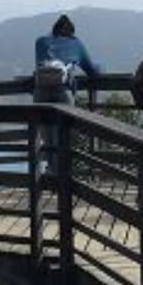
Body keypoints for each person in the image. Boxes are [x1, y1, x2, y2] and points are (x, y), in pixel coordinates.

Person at [33, 14, 102, 173]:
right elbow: (92, 70)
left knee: (46, 137)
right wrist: (102, 69)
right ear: (71, 32)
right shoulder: (76, 44)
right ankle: (61, 178)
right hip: (63, 92)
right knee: (62, 137)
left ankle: (51, 173)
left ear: (54, 28)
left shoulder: (41, 41)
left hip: (41, 91)